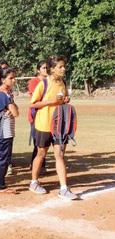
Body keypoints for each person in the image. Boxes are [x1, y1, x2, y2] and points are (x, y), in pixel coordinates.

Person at [29, 55, 79, 200]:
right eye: (60, 67)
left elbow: (61, 100)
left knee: (60, 155)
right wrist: (52, 101)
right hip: (43, 124)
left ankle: (63, 188)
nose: (64, 69)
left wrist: (65, 100)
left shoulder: (63, 82)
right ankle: (34, 182)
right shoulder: (43, 83)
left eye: (64, 66)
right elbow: (33, 103)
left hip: (59, 126)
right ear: (52, 69)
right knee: (41, 154)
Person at [28, 60, 48, 172]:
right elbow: (35, 99)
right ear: (38, 70)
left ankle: (42, 165)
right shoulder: (34, 82)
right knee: (38, 142)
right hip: (36, 115)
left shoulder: (49, 81)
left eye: (47, 67)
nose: (46, 70)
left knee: (45, 141)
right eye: (44, 68)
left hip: (47, 114)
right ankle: (35, 164)